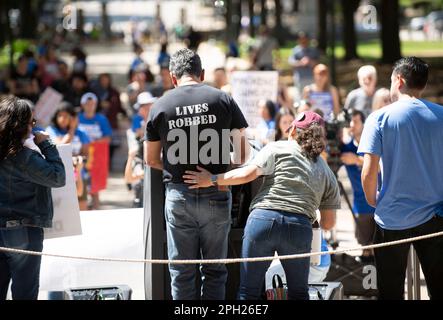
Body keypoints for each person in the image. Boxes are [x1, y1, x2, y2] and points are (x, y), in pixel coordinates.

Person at [183, 111, 340, 300]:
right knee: (299, 293)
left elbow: (247, 174)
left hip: (263, 220)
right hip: (299, 227)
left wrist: (212, 179)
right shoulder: (326, 170)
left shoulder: (277, 148)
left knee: (248, 292)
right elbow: (330, 223)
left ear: (292, 132)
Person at [144, 48, 250, 300]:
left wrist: (176, 168)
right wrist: (220, 173)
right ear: (201, 74)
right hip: (217, 192)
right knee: (215, 270)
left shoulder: (160, 106)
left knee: (181, 272)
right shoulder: (223, 99)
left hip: (179, 195)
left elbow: (150, 159)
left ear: (172, 77)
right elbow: (244, 154)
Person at [358, 57, 443, 300]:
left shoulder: (379, 117)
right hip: (436, 217)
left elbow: (369, 171)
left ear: (399, 80)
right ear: (423, 85)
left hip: (392, 217)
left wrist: (372, 200)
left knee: (390, 291)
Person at [0, 97, 65, 300]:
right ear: (23, 125)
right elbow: (58, 177)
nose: (33, 126)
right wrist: (47, 145)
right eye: (32, 121)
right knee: (25, 293)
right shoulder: (24, 157)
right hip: (22, 232)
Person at [340, 110, 375, 261]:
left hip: (381, 202)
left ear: (364, 123)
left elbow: (381, 165)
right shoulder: (345, 148)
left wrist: (357, 160)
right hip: (361, 205)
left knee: (382, 249)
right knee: (366, 249)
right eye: (350, 122)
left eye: (356, 121)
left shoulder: (374, 143)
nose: (352, 125)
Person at [46, 102, 90, 211]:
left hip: (79, 175)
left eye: (66, 116)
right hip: (59, 175)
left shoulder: (82, 133)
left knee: (82, 206)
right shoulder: (51, 131)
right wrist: (72, 130)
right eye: (59, 116)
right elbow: (60, 147)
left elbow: (85, 154)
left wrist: (77, 159)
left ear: (73, 117)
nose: (62, 119)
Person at [78, 93, 112, 210]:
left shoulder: (102, 119)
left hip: (97, 156)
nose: (90, 106)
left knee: (95, 184)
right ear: (82, 105)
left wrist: (92, 142)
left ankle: (96, 209)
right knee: (81, 181)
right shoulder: (77, 118)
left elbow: (107, 138)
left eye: (92, 104)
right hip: (81, 154)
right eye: (87, 104)